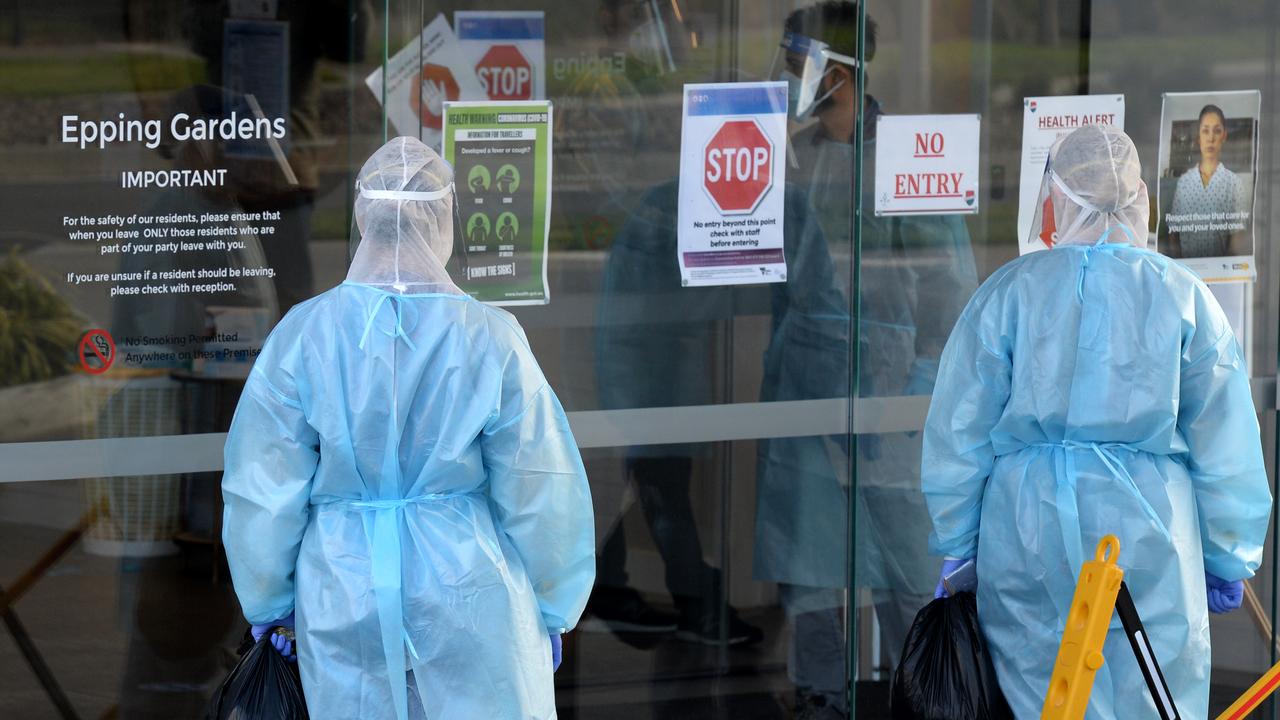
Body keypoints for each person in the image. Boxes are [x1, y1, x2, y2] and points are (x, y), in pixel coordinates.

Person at [222, 137, 596, 720]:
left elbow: (263, 484)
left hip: (342, 587)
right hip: (467, 588)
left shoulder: (305, 335)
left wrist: (269, 598)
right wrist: (555, 600)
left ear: (362, 217)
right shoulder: (490, 336)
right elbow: (540, 480)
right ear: (446, 217)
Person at [924, 125, 1271, 718]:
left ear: (1056, 198)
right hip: (1151, 534)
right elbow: (1226, 442)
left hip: (1026, 533)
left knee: (1040, 688)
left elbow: (962, 433)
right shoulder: (1183, 297)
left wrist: (959, 544)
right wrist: (1229, 553)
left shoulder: (1008, 294)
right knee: (1150, 686)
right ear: (1139, 197)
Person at [753, 2, 977, 713]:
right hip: (810, 398)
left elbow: (949, 296)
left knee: (909, 576)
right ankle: (822, 700)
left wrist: (913, 391)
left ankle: (924, 700)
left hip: (892, 408)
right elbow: (787, 288)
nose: (793, 82)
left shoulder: (905, 162)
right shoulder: (799, 159)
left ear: (840, 71)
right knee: (814, 571)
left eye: (800, 67)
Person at [1167, 104, 1251, 258]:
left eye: (1217, 131)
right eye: (1205, 130)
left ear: (1224, 136)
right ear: (1199, 137)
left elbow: (1236, 241)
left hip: (1220, 275)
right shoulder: (1184, 183)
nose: (1211, 138)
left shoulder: (1234, 183)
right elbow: (1173, 233)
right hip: (1186, 275)